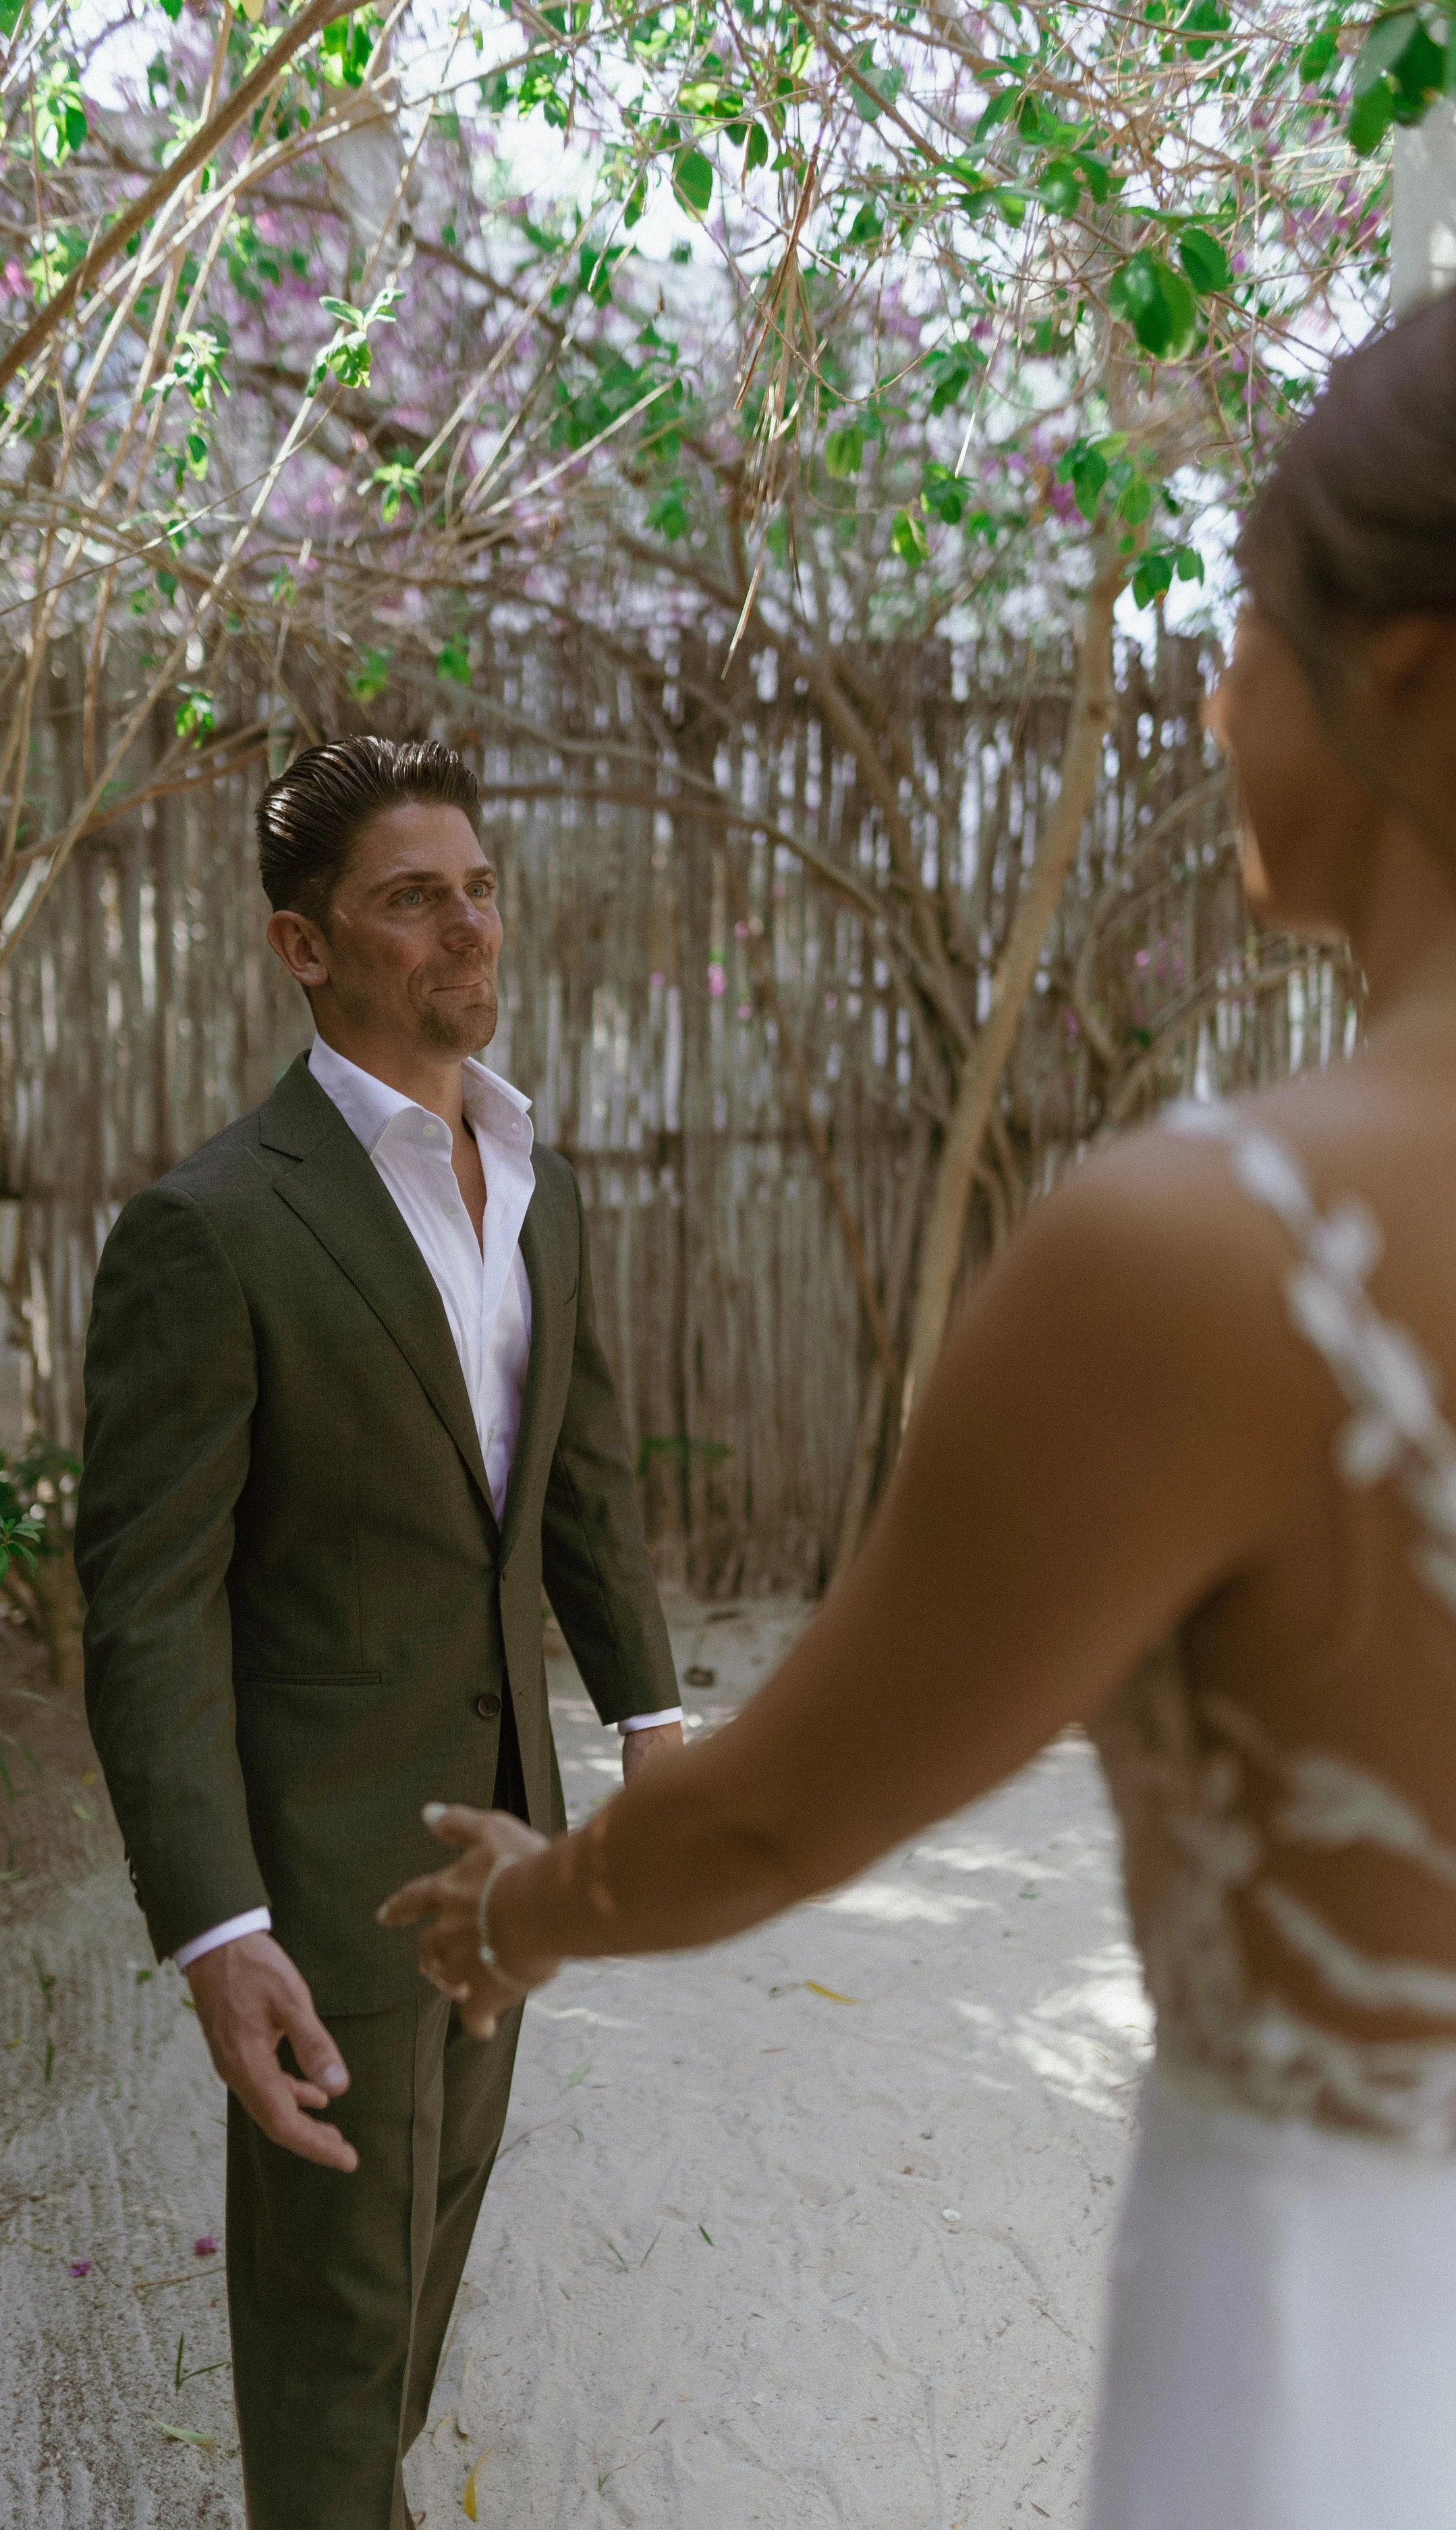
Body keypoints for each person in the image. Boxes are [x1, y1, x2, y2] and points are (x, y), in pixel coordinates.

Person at [382, 293, 1456, 2527]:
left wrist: (525, 1908)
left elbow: (782, 1816)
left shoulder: (1206, 1262)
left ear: (1406, 677)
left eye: (1240, 628)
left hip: (1343, 2365)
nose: (1203, 690)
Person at [75, 736, 682, 2530]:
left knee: (432, 2230)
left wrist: (650, 1734)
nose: (461, 926)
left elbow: (577, 1492)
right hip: (322, 1858)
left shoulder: (538, 1188)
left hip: (509, 1829)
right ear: (304, 947)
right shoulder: (211, 1231)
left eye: (475, 887)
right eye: (409, 898)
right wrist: (217, 1923)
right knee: (332, 2296)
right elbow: (147, 1598)